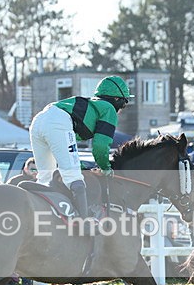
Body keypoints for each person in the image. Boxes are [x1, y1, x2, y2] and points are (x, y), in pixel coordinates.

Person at [28, 75, 130, 219]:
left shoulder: (90, 106)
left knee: (46, 177)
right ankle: (85, 221)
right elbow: (100, 146)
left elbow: (65, 149)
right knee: (74, 178)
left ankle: (44, 216)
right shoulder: (109, 109)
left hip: (38, 121)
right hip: (57, 122)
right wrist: (106, 168)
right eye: (124, 103)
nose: (122, 109)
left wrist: (81, 165)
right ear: (116, 99)